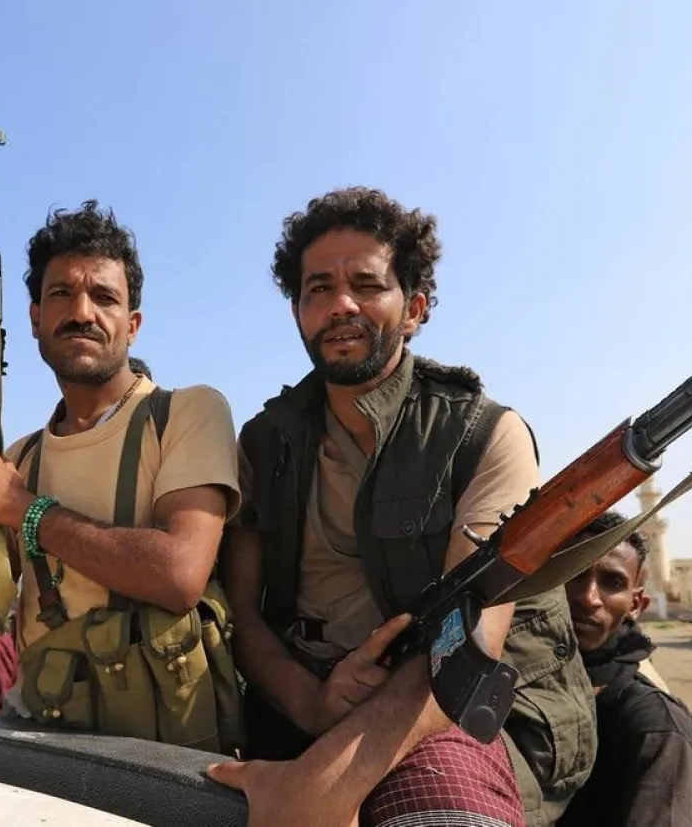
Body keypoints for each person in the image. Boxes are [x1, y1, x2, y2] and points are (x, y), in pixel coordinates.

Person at [212, 187, 594, 827]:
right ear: (298, 312)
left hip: (449, 706)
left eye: (366, 284)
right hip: (300, 699)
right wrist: (314, 706)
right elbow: (243, 617)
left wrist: (327, 779)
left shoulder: (484, 436)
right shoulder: (264, 441)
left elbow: (469, 640)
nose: (341, 305)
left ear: (414, 308)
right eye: (318, 289)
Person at [0, 200, 243, 752]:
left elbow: (179, 574)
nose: (81, 312)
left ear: (133, 324)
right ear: (34, 320)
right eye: (60, 295)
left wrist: (23, 509)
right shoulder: (19, 460)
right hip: (42, 736)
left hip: (163, 749)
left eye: (104, 297)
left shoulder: (186, 414)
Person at [558, 511, 692, 827]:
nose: (588, 598)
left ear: (636, 605)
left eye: (612, 582)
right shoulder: (519, 686)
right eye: (575, 573)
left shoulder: (654, 725)